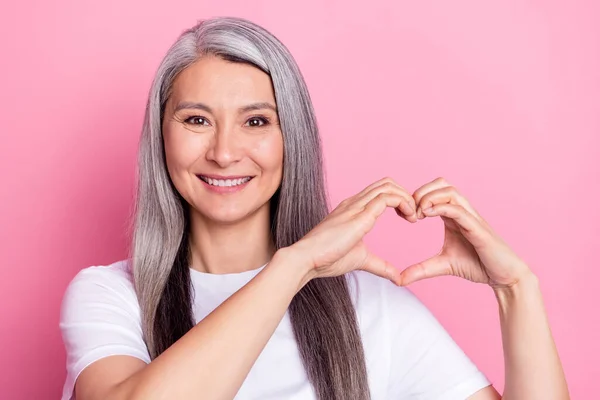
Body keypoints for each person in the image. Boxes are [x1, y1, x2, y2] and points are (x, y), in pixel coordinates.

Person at [59, 16, 569, 400]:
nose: (224, 151)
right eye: (197, 120)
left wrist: (516, 290)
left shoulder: (370, 309)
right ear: (161, 137)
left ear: (291, 139)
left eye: (256, 122)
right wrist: (297, 262)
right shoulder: (111, 297)